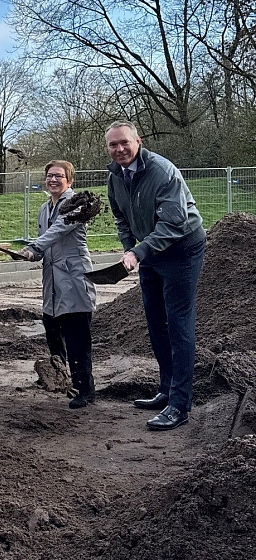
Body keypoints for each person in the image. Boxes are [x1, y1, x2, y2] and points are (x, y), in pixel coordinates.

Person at [105, 120, 206, 430]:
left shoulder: (162, 172)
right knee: (155, 323)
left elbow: (174, 224)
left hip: (181, 250)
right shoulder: (115, 176)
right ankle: (166, 389)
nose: (119, 149)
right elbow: (121, 217)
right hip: (148, 251)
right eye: (113, 145)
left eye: (124, 142)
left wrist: (139, 252)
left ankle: (180, 405)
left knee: (178, 324)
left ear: (138, 141)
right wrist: (128, 248)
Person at [20, 160, 97, 409]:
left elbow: (58, 232)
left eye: (59, 176)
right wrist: (31, 253)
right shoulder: (45, 208)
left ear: (70, 180)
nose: (53, 180)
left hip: (73, 279)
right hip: (52, 283)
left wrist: (34, 248)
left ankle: (85, 389)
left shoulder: (78, 204)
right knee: (52, 332)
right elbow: (47, 241)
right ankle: (63, 380)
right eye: (50, 176)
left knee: (77, 337)